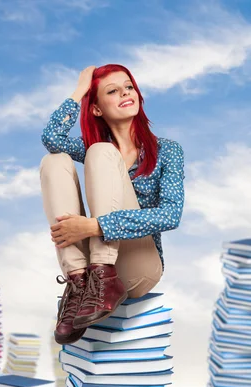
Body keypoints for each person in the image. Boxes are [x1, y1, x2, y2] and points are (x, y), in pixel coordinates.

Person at [39, 64, 185, 345]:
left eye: (129, 87)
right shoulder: (93, 145)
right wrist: (79, 92)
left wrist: (96, 225)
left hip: (137, 265)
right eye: (113, 91)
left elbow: (170, 215)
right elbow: (52, 139)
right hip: (88, 271)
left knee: (102, 151)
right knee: (53, 160)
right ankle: (78, 280)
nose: (125, 94)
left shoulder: (167, 150)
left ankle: (103, 273)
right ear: (96, 108)